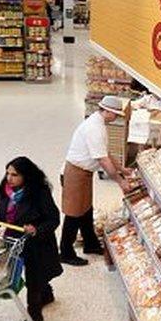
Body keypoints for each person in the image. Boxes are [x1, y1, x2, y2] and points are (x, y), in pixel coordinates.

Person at [0, 156, 63, 321]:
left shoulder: (39, 192)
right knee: (24, 275)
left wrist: (36, 229)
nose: (9, 178)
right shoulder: (6, 188)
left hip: (36, 243)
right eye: (7, 173)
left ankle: (35, 318)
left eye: (14, 175)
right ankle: (46, 294)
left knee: (33, 279)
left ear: (26, 176)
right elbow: (3, 210)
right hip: (14, 241)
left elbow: (54, 218)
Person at [60, 95, 132, 266]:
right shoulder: (94, 128)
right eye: (114, 114)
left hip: (84, 173)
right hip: (75, 174)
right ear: (106, 111)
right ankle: (65, 252)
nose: (116, 118)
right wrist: (120, 181)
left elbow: (106, 153)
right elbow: (103, 160)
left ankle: (90, 244)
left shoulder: (99, 124)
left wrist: (122, 169)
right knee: (73, 214)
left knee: (86, 211)